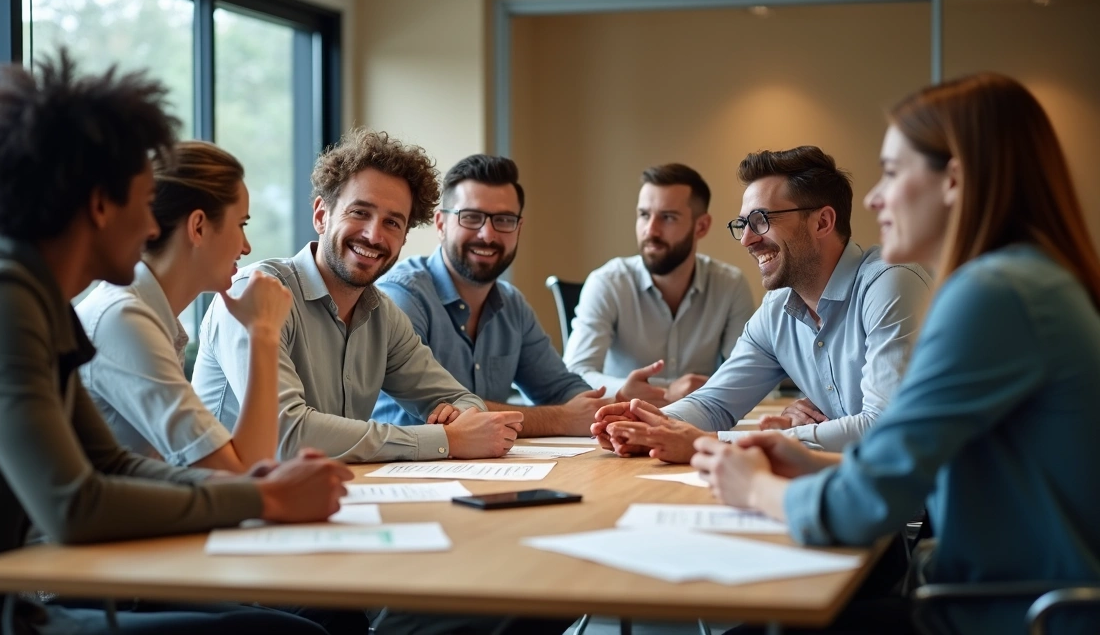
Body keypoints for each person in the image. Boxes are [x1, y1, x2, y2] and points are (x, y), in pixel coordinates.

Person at [0, 51, 351, 635]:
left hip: (1, 607)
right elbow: (73, 507)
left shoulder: (31, 294)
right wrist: (263, 501)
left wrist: (258, 485)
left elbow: (110, 464)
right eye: (143, 199)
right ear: (101, 204)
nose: (154, 226)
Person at [692, 73, 1100, 634]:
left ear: (954, 180)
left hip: (1007, 615)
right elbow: (912, 468)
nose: (875, 197)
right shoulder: (1025, 281)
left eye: (891, 172)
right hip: (1002, 598)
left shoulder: (994, 296)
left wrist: (756, 488)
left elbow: (868, 504)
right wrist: (806, 461)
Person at [192, 129, 523, 463]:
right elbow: (287, 434)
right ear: (322, 215)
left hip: (325, 497)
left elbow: (460, 399)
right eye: (360, 212)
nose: (374, 235)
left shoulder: (384, 316)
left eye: (393, 223)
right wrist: (445, 439)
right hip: (231, 503)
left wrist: (464, 418)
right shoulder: (255, 295)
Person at [593, 147, 931, 460]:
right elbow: (714, 403)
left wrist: (716, 443)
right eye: (743, 224)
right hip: (849, 492)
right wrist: (651, 424)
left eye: (760, 221)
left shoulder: (890, 284)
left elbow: (884, 428)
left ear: (822, 222)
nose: (747, 239)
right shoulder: (777, 310)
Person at [77, 141, 291, 472]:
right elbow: (243, 475)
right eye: (241, 224)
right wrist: (263, 332)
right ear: (199, 226)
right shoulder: (123, 319)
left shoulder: (150, 317)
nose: (247, 247)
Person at [372, 154, 609, 436]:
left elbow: (560, 389)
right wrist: (560, 419)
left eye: (504, 220)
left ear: (518, 229)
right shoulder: (402, 296)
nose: (487, 234)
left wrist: (607, 411)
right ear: (440, 224)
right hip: (406, 473)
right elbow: (436, 416)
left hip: (489, 471)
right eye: (471, 217)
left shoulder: (512, 305)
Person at [563, 164, 755, 406]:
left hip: (699, 424)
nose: (650, 230)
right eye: (644, 215)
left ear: (701, 226)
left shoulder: (730, 285)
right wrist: (638, 390)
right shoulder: (608, 283)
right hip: (621, 420)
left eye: (668, 217)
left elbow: (748, 374)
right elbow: (575, 373)